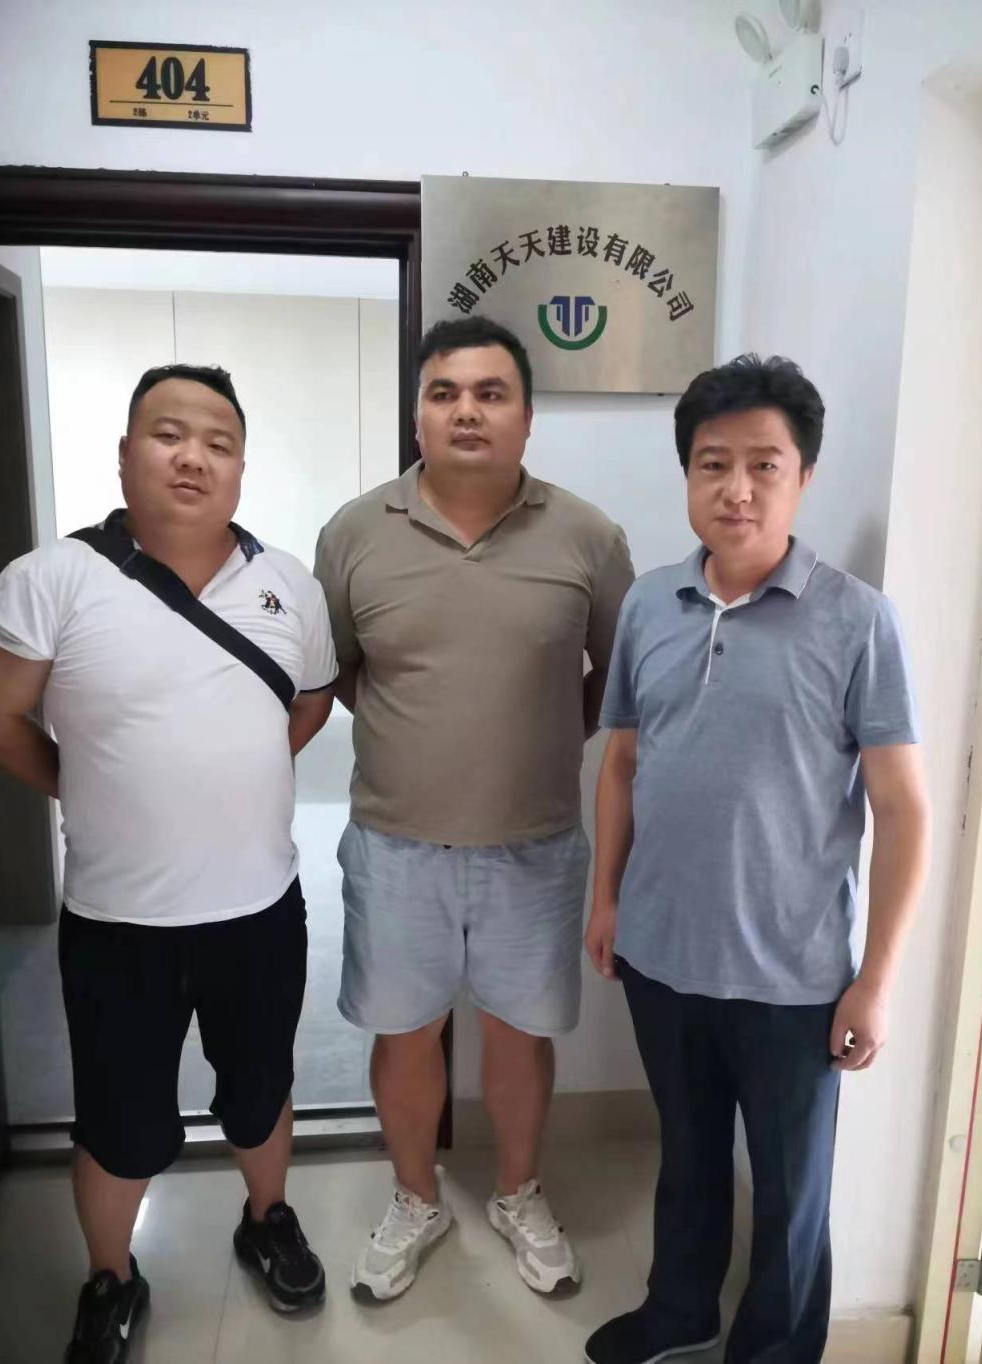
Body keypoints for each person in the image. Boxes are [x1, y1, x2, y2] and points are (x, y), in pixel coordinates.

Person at [584, 354, 931, 1364]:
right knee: (687, 1157)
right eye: (712, 463)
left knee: (790, 1191)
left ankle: (774, 1349)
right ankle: (680, 1310)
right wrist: (606, 899)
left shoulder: (856, 619)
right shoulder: (649, 605)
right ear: (687, 474)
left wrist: (875, 981)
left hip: (793, 977)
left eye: (763, 465)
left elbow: (903, 808)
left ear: (802, 476)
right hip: (661, 955)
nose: (736, 488)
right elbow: (621, 765)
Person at [0, 364, 336, 1363]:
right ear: (125, 455)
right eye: (168, 434)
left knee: (259, 1088)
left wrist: (233, 772)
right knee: (119, 1120)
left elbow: (310, 701)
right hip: (118, 922)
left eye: (218, 442)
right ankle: (111, 1276)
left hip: (259, 908)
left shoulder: (289, 583)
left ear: (240, 467)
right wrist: (79, 783)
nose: (193, 457)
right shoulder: (52, 577)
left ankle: (265, 1218)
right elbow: (1, 714)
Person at [314, 315, 634, 1302]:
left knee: (519, 1032)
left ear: (527, 418)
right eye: (443, 393)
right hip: (394, 844)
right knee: (403, 1032)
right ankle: (415, 1198)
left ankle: (516, 1192)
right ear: (417, 413)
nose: (465, 411)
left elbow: (617, 679)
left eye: (490, 393)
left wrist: (543, 733)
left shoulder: (588, 537)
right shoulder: (354, 532)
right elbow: (341, 671)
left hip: (534, 844)